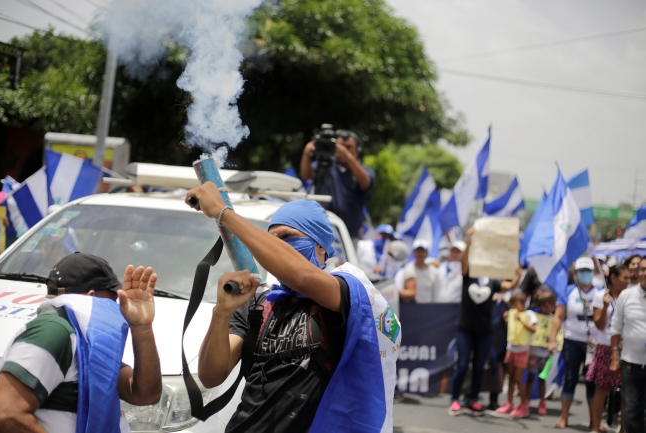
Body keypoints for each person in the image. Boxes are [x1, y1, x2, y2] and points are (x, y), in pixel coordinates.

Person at [188, 184, 399, 433]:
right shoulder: (258, 303)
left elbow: (301, 275)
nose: (277, 246)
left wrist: (224, 213)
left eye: (288, 237)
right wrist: (221, 313)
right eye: (271, 239)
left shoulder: (343, 293)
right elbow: (211, 375)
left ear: (321, 247)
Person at [0, 253, 162, 433]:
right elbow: (5, 413)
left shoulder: (83, 337)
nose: (119, 309)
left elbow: (146, 395)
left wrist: (142, 327)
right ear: (90, 297)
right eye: (113, 301)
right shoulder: (53, 331)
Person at [448, 229, 513, 416]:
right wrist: (470, 240)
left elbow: (511, 285)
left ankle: (473, 399)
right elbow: (463, 262)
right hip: (465, 330)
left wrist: (516, 269)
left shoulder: (492, 281)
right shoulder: (468, 275)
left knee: (478, 367)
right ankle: (455, 398)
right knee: (462, 365)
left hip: (484, 332)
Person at [549, 257, 604, 429]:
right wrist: (552, 339)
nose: (585, 274)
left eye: (588, 271)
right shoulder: (568, 292)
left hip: (593, 344)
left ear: (594, 272)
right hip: (571, 341)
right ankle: (564, 417)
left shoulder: (601, 292)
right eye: (582, 271)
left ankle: (594, 421)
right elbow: (558, 316)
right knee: (570, 378)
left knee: (591, 382)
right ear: (576, 273)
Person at [300, 130, 374, 244]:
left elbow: (365, 182)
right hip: (321, 231)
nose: (343, 150)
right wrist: (306, 153)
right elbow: (306, 175)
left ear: (357, 151)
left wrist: (348, 157)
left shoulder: (363, 170)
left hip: (349, 236)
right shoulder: (326, 166)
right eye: (340, 146)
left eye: (349, 147)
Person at [587, 264, 629, 433]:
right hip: (605, 346)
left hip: (626, 348)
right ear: (613, 277)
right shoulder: (600, 296)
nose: (627, 281)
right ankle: (596, 427)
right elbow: (599, 324)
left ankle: (624, 429)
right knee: (602, 387)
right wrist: (604, 307)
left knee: (627, 391)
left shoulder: (629, 296)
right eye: (624, 278)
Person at [610, 257, 646, 433]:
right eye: (643, 269)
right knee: (632, 411)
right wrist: (614, 356)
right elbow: (615, 327)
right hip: (631, 364)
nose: (645, 273)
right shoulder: (627, 295)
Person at [495, 291, 537, 418]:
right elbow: (513, 329)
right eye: (512, 304)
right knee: (511, 378)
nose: (513, 306)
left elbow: (534, 329)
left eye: (516, 304)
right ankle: (509, 404)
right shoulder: (512, 313)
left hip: (523, 351)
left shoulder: (530, 314)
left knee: (519, 379)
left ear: (523, 303)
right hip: (511, 349)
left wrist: (521, 319)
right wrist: (507, 320)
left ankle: (524, 405)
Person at [524, 288, 557, 416]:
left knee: (542, 380)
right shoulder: (533, 315)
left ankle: (542, 402)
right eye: (552, 305)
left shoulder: (553, 319)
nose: (553, 307)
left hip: (546, 355)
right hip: (534, 353)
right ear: (544, 305)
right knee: (530, 378)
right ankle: (525, 401)